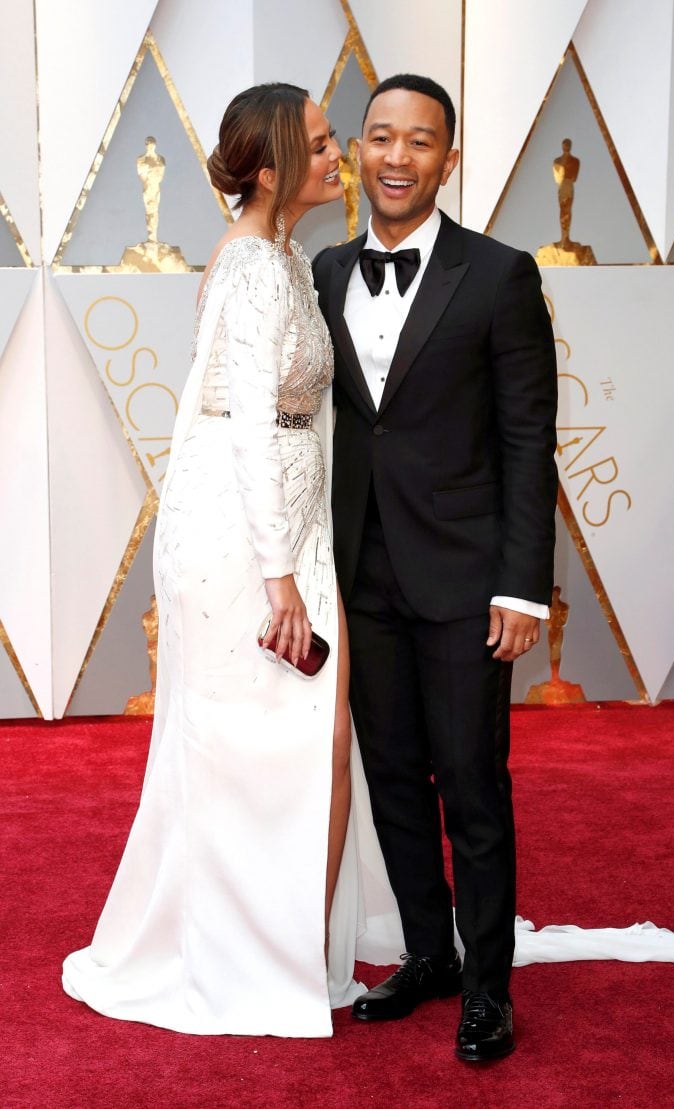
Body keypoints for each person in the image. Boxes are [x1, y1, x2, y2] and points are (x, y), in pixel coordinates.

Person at [62, 83, 365, 1037]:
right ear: (271, 168)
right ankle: (257, 967)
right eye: (319, 143)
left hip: (289, 528)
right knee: (276, 751)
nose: (339, 154)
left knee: (312, 750)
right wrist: (279, 575)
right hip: (245, 542)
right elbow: (240, 431)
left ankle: (290, 958)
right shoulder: (251, 269)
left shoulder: (287, 255)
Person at [313, 74, 559, 1062]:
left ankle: (488, 989)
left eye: (420, 141)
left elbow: (527, 437)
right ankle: (429, 952)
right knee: (392, 778)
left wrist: (522, 583)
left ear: (448, 160)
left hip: (467, 579)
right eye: (380, 138)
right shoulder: (323, 270)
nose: (398, 158)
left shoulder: (499, 273)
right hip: (360, 570)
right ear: (358, 152)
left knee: (471, 782)